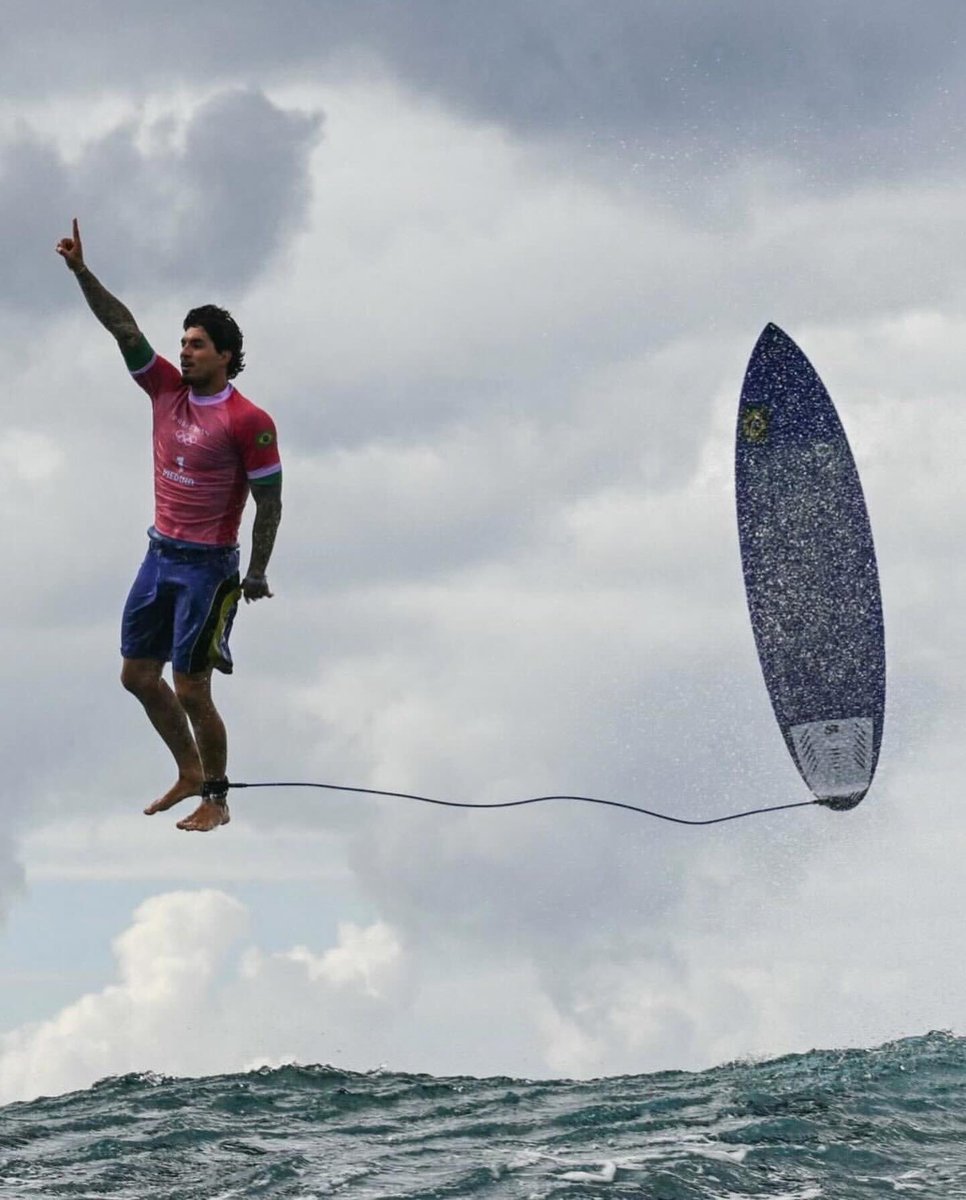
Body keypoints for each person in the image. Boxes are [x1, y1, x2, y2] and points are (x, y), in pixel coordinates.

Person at [55, 219, 282, 833]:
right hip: (159, 555)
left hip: (209, 568)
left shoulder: (248, 420)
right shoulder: (164, 389)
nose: (184, 351)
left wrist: (257, 572)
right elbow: (124, 328)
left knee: (192, 688)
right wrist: (81, 272)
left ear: (225, 356)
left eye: (197, 344)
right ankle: (188, 770)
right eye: (182, 342)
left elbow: (270, 502)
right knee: (137, 676)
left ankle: (217, 798)